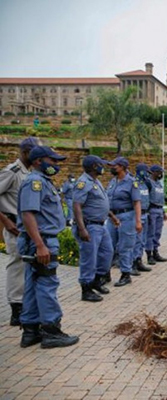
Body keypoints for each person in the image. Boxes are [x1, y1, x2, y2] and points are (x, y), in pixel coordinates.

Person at [17, 146, 79, 348]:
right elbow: (28, 214)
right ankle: (52, 331)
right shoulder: (35, 182)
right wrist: (40, 245)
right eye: (52, 161)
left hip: (39, 239)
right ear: (37, 161)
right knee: (47, 285)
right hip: (41, 240)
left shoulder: (42, 182)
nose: (56, 165)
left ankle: (30, 331)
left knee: (34, 284)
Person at [0, 137, 39, 326]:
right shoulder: (12, 172)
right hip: (14, 226)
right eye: (34, 152)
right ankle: (16, 308)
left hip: (26, 228)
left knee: (25, 266)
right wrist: (5, 221)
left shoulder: (28, 173)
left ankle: (24, 305)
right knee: (16, 266)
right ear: (25, 152)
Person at [72, 155, 118, 302]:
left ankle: (97, 281)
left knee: (107, 253)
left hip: (100, 225)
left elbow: (100, 203)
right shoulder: (83, 182)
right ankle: (86, 289)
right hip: (89, 226)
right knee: (89, 258)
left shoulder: (95, 181)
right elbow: (77, 205)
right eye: (101, 164)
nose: (103, 167)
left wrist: (111, 216)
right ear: (93, 166)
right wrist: (82, 228)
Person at [106, 157, 142, 287]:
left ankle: (125, 274)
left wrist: (138, 221)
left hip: (126, 216)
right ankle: (106, 274)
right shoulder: (112, 181)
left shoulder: (132, 182)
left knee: (125, 246)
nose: (111, 168)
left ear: (121, 167)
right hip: (111, 217)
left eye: (114, 166)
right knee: (108, 246)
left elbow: (137, 202)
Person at [131, 163, 152, 274]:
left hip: (145, 213)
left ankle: (139, 260)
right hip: (137, 215)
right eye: (146, 172)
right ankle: (133, 263)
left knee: (142, 240)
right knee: (136, 240)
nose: (148, 174)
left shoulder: (145, 184)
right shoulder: (134, 183)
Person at [145, 164, 167, 265]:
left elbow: (161, 198)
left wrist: (163, 212)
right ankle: (149, 254)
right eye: (159, 172)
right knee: (150, 233)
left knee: (157, 232)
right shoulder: (148, 183)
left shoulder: (159, 183)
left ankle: (155, 251)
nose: (160, 174)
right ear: (153, 172)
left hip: (159, 209)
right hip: (152, 209)